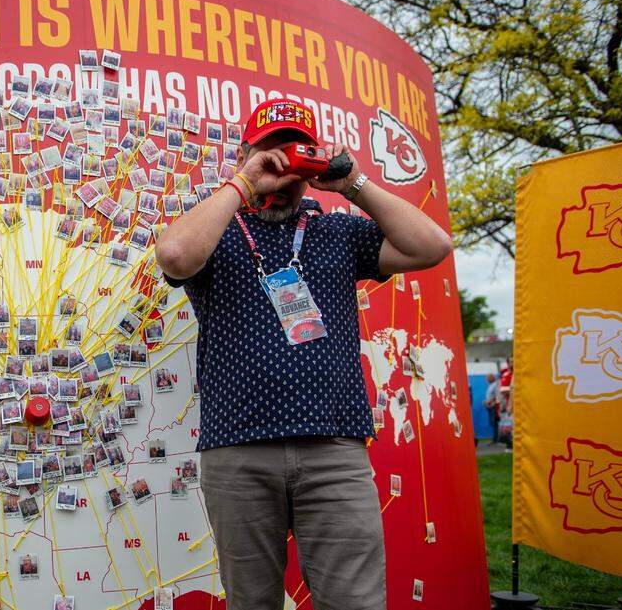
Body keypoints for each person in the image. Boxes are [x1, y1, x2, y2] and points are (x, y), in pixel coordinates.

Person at [155, 98, 452, 610]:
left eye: (296, 149)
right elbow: (176, 257)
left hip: (335, 451)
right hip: (239, 450)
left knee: (354, 601)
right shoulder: (217, 227)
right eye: (272, 148)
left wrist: (353, 184)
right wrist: (245, 183)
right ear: (247, 152)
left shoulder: (335, 230)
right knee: (252, 602)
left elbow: (432, 246)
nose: (284, 161)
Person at [483, 372, 501, 444]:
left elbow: (497, 395)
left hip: (494, 407)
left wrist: (491, 402)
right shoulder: (491, 385)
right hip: (490, 406)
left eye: (488, 378)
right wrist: (486, 401)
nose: (486, 379)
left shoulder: (496, 384)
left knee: (495, 423)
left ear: (492, 378)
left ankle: (496, 439)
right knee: (493, 423)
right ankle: (496, 438)